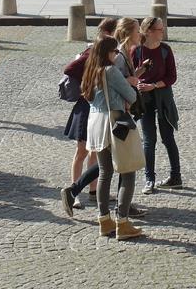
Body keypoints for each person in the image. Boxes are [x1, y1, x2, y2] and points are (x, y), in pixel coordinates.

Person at [81, 35, 143, 240]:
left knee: (105, 173)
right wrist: (128, 92)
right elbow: (132, 95)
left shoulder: (90, 71)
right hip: (115, 123)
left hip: (95, 124)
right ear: (108, 53)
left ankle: (104, 220)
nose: (117, 55)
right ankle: (123, 223)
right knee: (128, 171)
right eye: (115, 52)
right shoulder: (111, 70)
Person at [60, 17, 118, 214]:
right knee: (82, 151)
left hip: (97, 108)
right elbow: (69, 69)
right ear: (109, 33)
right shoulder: (92, 51)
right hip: (86, 107)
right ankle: (74, 192)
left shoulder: (107, 52)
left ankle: (94, 191)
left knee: (95, 151)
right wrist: (85, 85)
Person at [134, 16, 181, 194]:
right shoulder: (137, 51)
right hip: (144, 99)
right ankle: (149, 179)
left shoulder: (165, 50)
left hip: (163, 98)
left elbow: (172, 77)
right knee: (149, 140)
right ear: (149, 31)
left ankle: (176, 176)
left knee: (168, 138)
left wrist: (154, 85)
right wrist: (138, 82)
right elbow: (132, 74)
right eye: (160, 29)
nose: (163, 32)